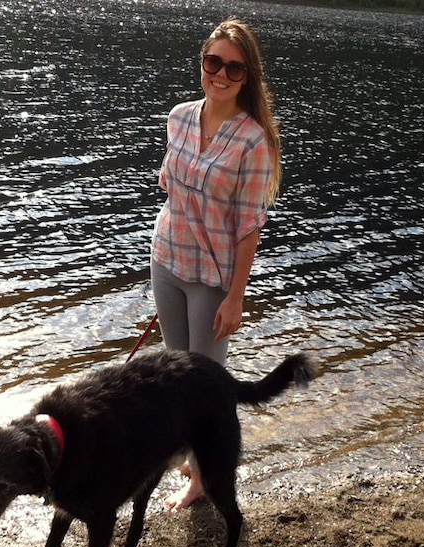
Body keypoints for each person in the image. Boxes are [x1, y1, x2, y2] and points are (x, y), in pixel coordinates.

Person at [150, 17, 282, 511]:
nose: (221, 74)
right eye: (214, 62)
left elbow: (250, 225)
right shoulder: (179, 117)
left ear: (248, 77)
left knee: (205, 382)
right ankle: (192, 454)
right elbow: (169, 182)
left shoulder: (254, 140)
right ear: (202, 62)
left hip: (213, 277)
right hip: (166, 259)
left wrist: (236, 296)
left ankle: (205, 477)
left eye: (234, 68)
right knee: (174, 372)